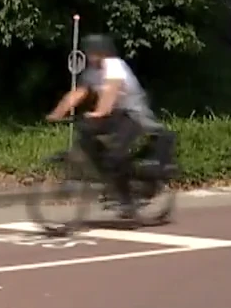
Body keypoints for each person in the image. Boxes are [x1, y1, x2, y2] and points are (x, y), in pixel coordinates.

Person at [46, 33, 160, 209]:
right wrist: (57, 113)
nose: (90, 56)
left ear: (102, 52)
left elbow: (111, 91)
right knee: (87, 136)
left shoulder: (114, 66)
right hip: (115, 115)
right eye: (89, 52)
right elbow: (78, 93)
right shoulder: (92, 71)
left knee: (115, 153)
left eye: (93, 52)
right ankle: (111, 179)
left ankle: (127, 200)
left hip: (134, 115)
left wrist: (100, 112)